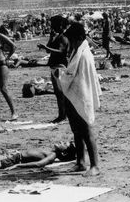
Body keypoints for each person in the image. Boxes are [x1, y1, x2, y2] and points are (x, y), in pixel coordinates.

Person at [58, 23, 100, 176]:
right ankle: (80, 161)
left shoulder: (84, 54)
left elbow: (76, 75)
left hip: (81, 94)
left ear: (79, 38)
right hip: (73, 93)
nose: (71, 42)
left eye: (72, 39)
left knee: (86, 130)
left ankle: (95, 165)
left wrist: (61, 75)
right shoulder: (77, 51)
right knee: (76, 130)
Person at [37, 15, 69, 123]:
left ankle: (62, 115)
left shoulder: (63, 37)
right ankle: (62, 114)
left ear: (59, 25)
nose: (52, 27)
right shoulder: (58, 36)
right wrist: (50, 38)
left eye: (53, 25)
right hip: (56, 67)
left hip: (60, 67)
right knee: (58, 92)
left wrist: (46, 47)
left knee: (60, 92)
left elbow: (60, 51)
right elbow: (48, 51)